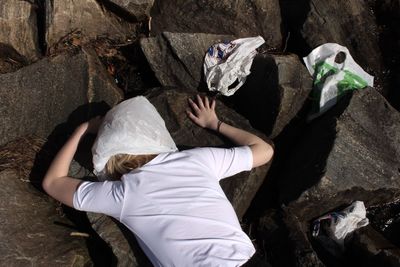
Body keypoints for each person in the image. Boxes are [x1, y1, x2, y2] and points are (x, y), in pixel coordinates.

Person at [43, 95, 274, 267]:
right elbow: (264, 150)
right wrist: (215, 124)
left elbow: (53, 183)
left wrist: (81, 131)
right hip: (247, 260)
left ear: (109, 159)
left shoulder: (123, 194)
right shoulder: (199, 159)